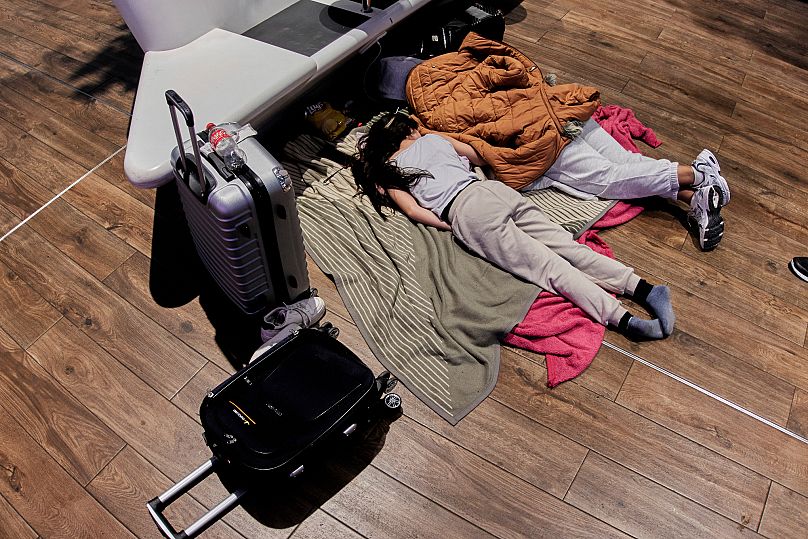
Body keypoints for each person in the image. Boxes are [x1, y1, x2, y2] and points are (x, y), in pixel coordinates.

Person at [353, 113, 675, 340]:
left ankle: (623, 319)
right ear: (411, 129)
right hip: (492, 192)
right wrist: (437, 140)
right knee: (567, 247)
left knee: (549, 269)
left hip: (465, 210)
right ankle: (644, 288)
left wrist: (450, 224)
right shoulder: (434, 138)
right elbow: (477, 157)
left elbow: (413, 211)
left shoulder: (389, 171)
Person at [518, 117, 729, 252]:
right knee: (626, 162)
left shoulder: (486, 98)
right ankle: (694, 197)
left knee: (609, 178)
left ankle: (697, 174)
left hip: (539, 136)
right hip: (563, 106)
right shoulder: (502, 60)